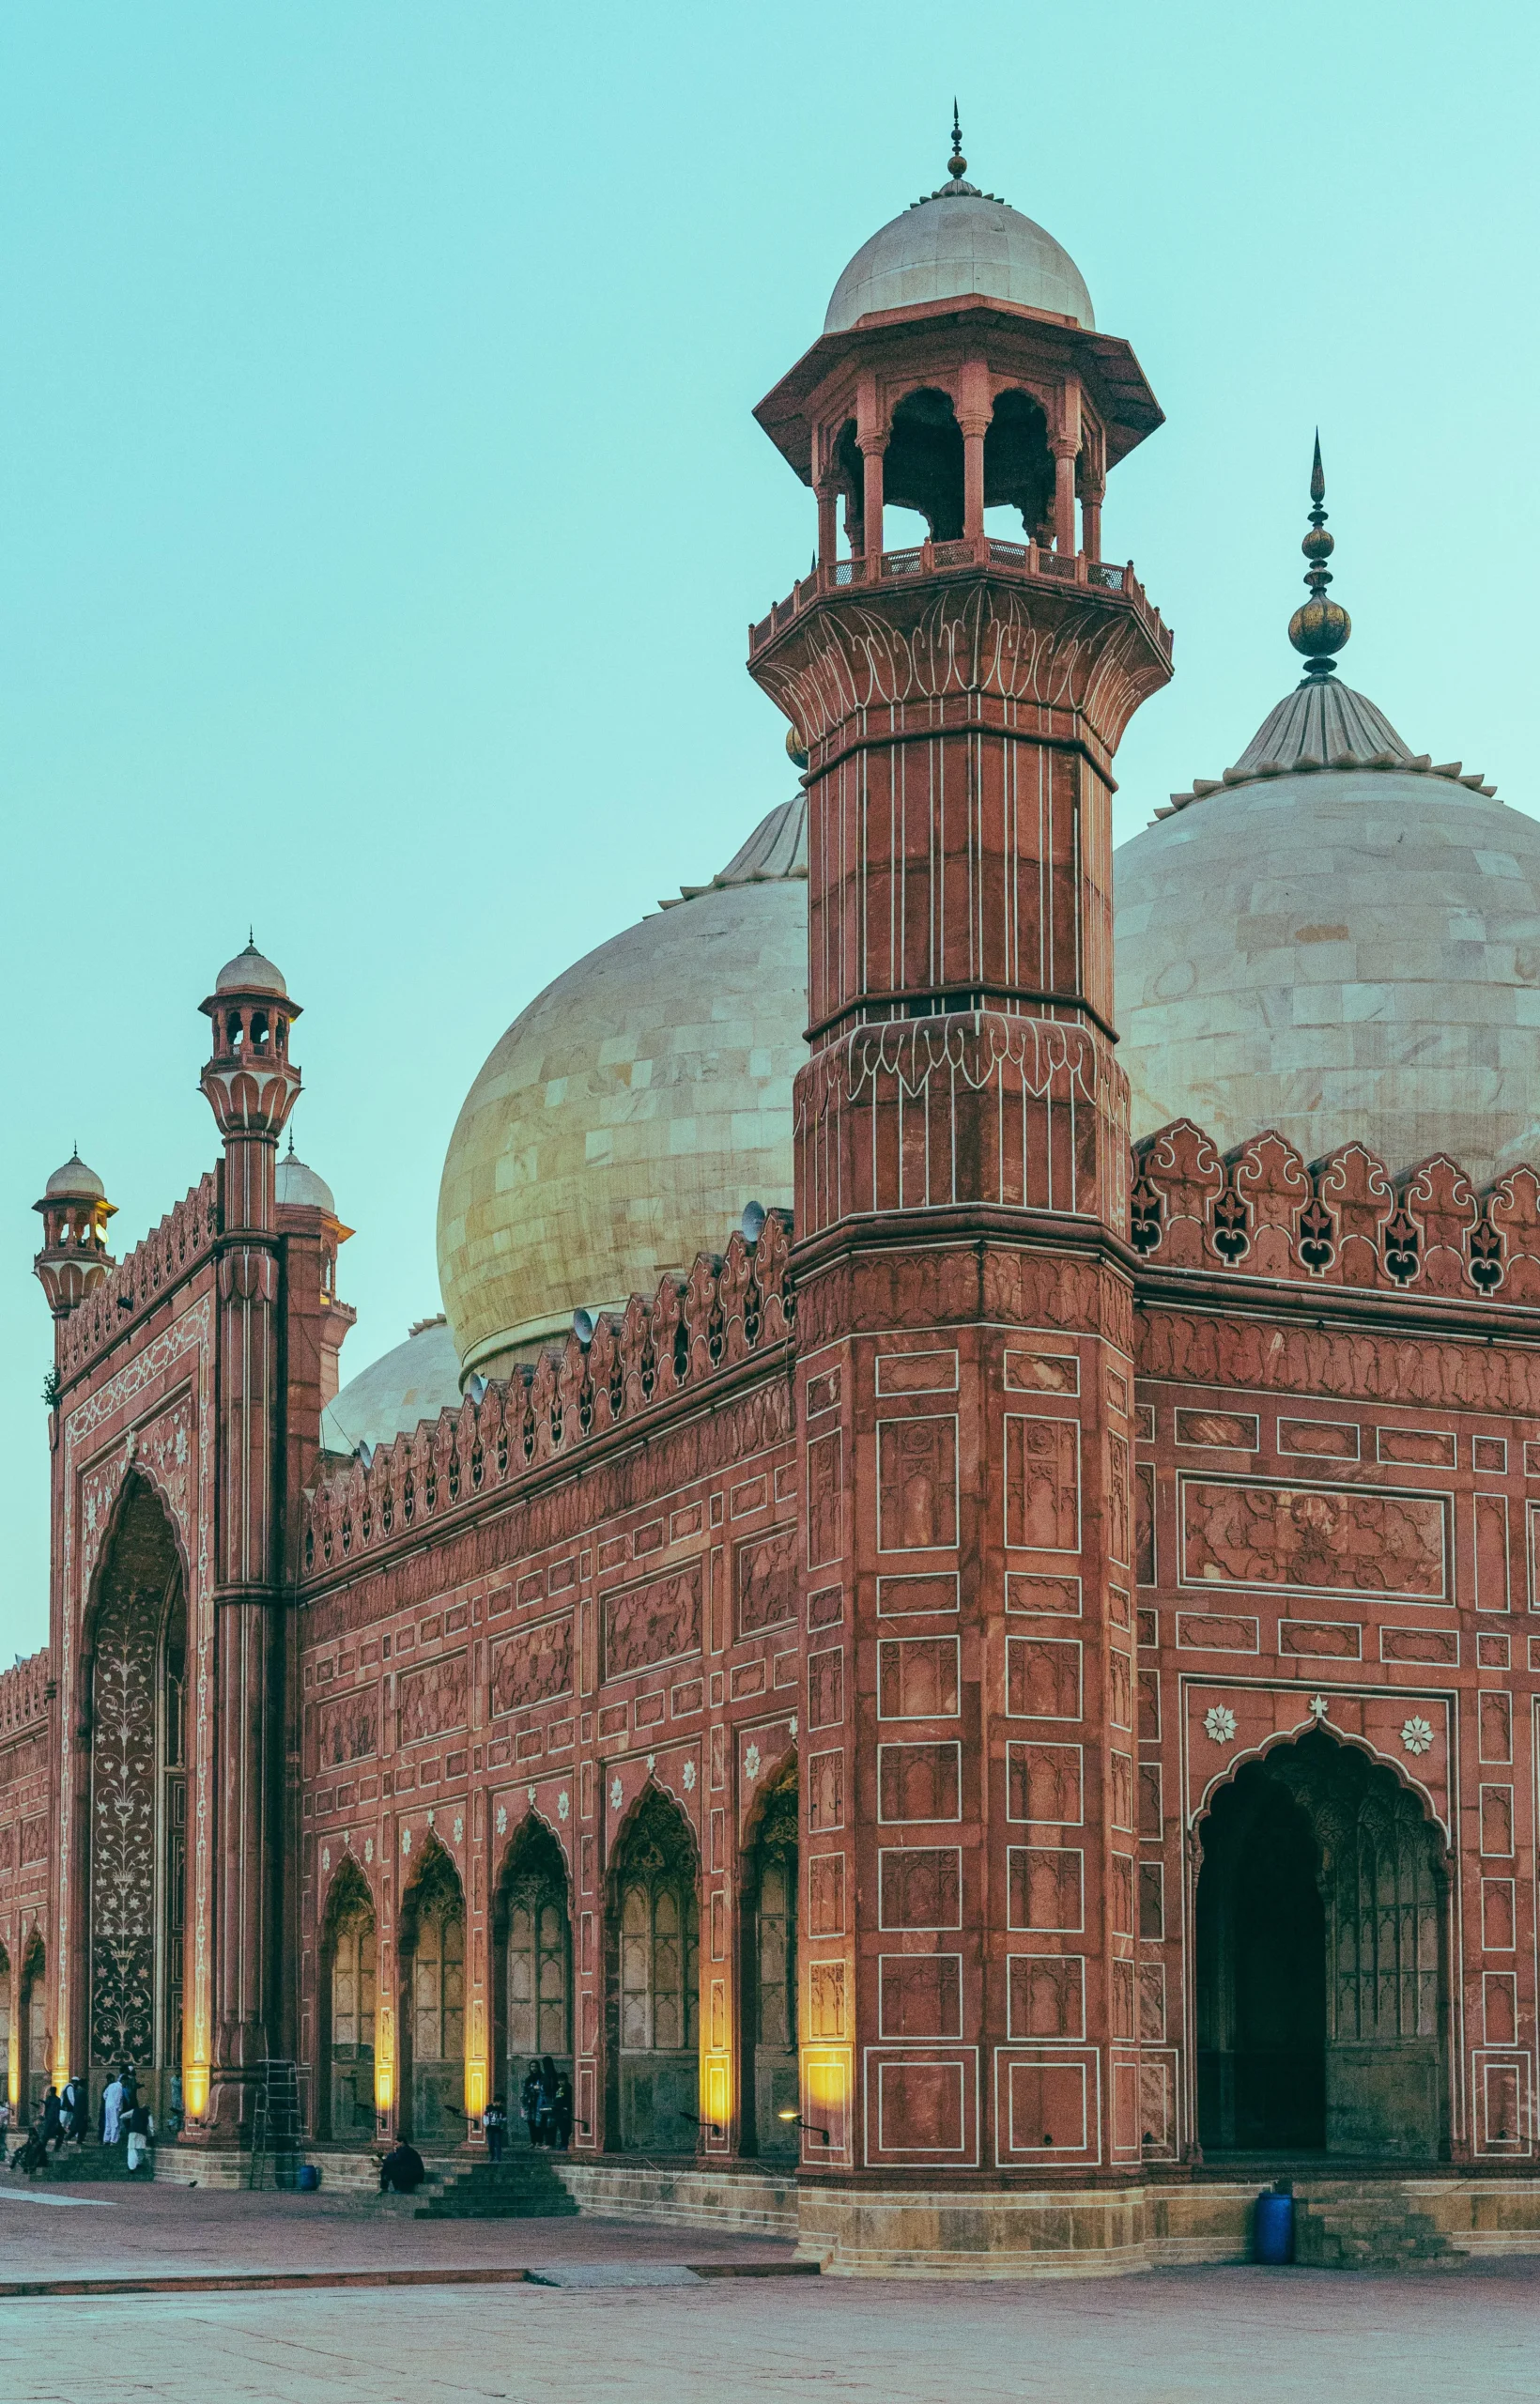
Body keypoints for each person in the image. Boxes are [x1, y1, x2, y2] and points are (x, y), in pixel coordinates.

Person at [125, 2100, 155, 2175]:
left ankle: (131, 2167)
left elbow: (123, 2116)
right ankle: (139, 2163)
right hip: (142, 2133)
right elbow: (151, 2126)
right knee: (140, 2149)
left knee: (131, 2149)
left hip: (132, 2132)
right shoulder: (148, 2114)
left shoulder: (135, 2110)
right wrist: (152, 2135)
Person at [536, 2056, 558, 2147]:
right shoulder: (545, 2076)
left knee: (551, 2123)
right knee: (544, 2123)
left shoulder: (553, 2076)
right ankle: (547, 2142)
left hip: (550, 2102)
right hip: (544, 2102)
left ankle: (550, 2143)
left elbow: (552, 2088)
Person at [520, 2060, 542, 2148]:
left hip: (538, 2103)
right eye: (532, 2066)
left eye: (535, 2066)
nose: (533, 2068)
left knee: (538, 2123)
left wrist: (534, 2088)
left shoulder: (541, 2077)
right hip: (530, 2104)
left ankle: (539, 2141)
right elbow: (525, 2089)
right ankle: (532, 2142)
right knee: (531, 2123)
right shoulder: (528, 2079)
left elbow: (540, 2088)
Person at [550, 2071, 574, 2152]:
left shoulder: (568, 2088)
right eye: (559, 2080)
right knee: (561, 2129)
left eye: (562, 2080)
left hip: (565, 2111)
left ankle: (566, 2144)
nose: (560, 2082)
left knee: (565, 2129)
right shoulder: (559, 2089)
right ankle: (562, 2144)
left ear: (566, 2080)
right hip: (558, 2112)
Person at [101, 2072, 125, 2148]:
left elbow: (104, 2095)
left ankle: (106, 2140)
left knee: (108, 2123)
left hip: (108, 2106)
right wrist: (119, 2109)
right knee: (115, 2124)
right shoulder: (119, 2087)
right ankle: (113, 2141)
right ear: (123, 2081)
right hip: (115, 2107)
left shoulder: (111, 2085)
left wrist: (108, 2101)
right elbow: (119, 2099)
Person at [483, 2096, 507, 2165]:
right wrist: (486, 2123)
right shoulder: (489, 2107)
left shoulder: (501, 2109)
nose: (502, 2104)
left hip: (497, 2128)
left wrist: (501, 2120)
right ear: (497, 2101)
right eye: (501, 2102)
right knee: (491, 2143)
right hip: (490, 2128)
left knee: (498, 2143)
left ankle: (499, 2157)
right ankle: (492, 2156)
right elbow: (485, 2116)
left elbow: (505, 2118)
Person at [40, 2087, 64, 2155]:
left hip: (50, 2120)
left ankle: (43, 2148)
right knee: (59, 2134)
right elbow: (57, 2111)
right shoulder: (57, 2099)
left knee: (47, 2135)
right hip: (53, 2120)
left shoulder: (50, 2099)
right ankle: (56, 2148)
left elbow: (47, 2109)